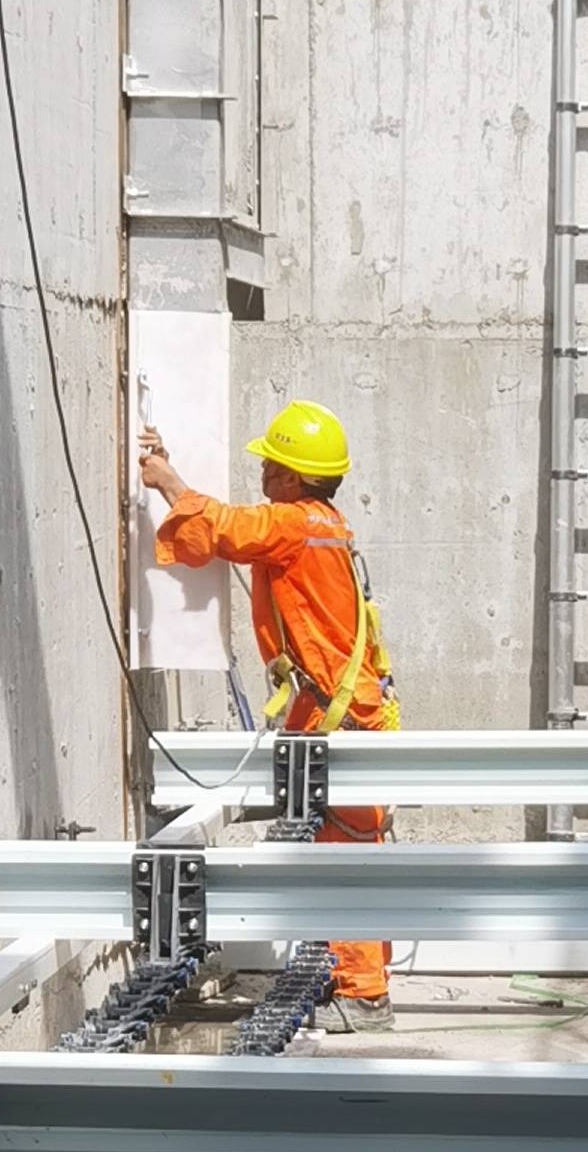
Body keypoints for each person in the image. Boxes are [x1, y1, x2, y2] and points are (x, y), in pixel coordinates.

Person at [140, 401, 399, 1023]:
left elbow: (226, 530)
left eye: (271, 465)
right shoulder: (326, 525)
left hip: (337, 715)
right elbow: (228, 534)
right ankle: (355, 980)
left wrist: (167, 481)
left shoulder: (292, 524)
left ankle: (365, 996)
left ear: (294, 475)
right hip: (345, 708)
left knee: (344, 853)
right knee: (345, 847)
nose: (262, 473)